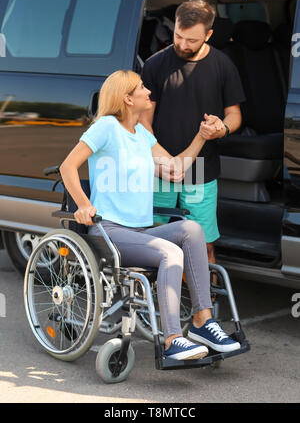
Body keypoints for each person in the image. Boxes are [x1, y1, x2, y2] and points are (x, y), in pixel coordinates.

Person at [59, 69, 240, 361]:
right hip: (109, 231)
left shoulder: (141, 134)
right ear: (127, 99)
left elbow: (176, 169)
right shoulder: (105, 127)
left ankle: (202, 323)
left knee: (192, 229)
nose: (148, 91)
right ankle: (171, 340)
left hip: (140, 231)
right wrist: (82, 203)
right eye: (142, 88)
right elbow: (68, 166)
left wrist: (201, 136)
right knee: (170, 252)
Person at [140, 0, 245, 264]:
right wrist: (164, 160)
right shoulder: (154, 65)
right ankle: (157, 301)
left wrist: (222, 129)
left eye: (192, 40)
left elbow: (235, 115)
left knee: (204, 246)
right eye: (178, 36)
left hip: (201, 168)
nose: (183, 45)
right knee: (153, 239)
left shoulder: (223, 65)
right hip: (159, 169)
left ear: (209, 34)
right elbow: (143, 122)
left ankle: (203, 304)